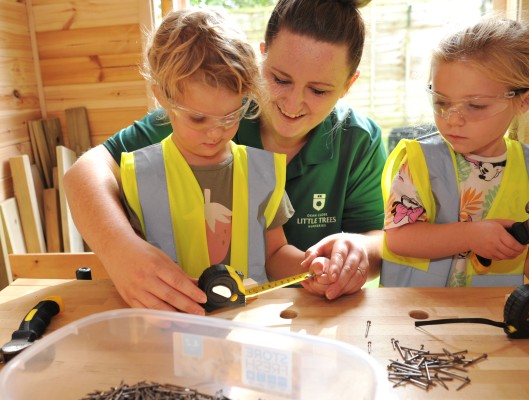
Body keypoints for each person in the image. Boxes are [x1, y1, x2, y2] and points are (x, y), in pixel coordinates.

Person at [64, 0, 386, 314]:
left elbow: (377, 239)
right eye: (280, 79)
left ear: (348, 84)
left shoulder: (359, 140)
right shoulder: (210, 102)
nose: (292, 103)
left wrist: (356, 253)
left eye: (318, 90)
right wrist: (120, 250)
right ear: (262, 59)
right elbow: (85, 172)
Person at [381, 15, 529, 295]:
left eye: (475, 106)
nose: (452, 119)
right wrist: (469, 235)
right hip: (415, 314)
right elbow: (398, 238)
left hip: (488, 317)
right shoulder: (419, 161)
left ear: (524, 100)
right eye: (441, 102)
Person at [121, 7, 310, 299]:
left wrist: (311, 267)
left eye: (230, 117)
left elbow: (275, 252)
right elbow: (129, 265)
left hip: (249, 327)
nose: (215, 133)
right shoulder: (139, 175)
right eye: (198, 118)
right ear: (162, 97)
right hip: (171, 330)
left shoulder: (262, 173)